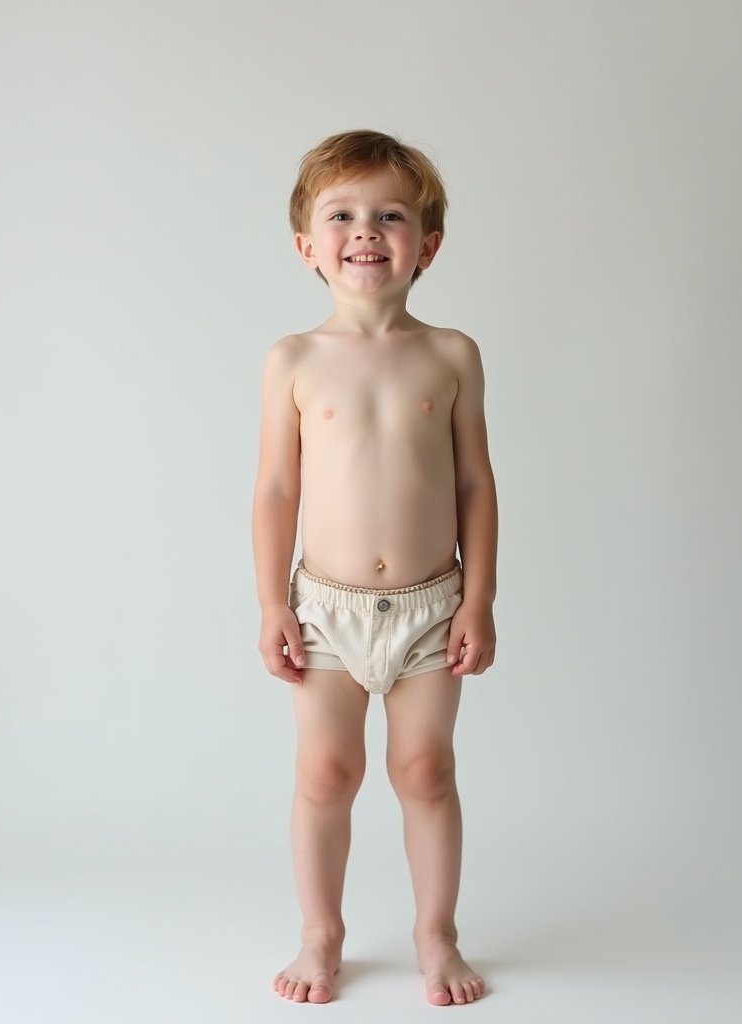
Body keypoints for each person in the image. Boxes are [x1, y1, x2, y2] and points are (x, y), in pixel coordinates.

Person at [252, 129, 498, 1006]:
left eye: (391, 215)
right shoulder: (294, 360)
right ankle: (322, 933)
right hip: (324, 606)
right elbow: (277, 490)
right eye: (343, 215)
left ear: (426, 245)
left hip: (433, 604)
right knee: (325, 773)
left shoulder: (451, 354)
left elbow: (475, 481)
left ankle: (438, 933)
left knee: (425, 770)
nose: (367, 230)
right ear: (306, 246)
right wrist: (273, 603)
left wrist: (481, 600)